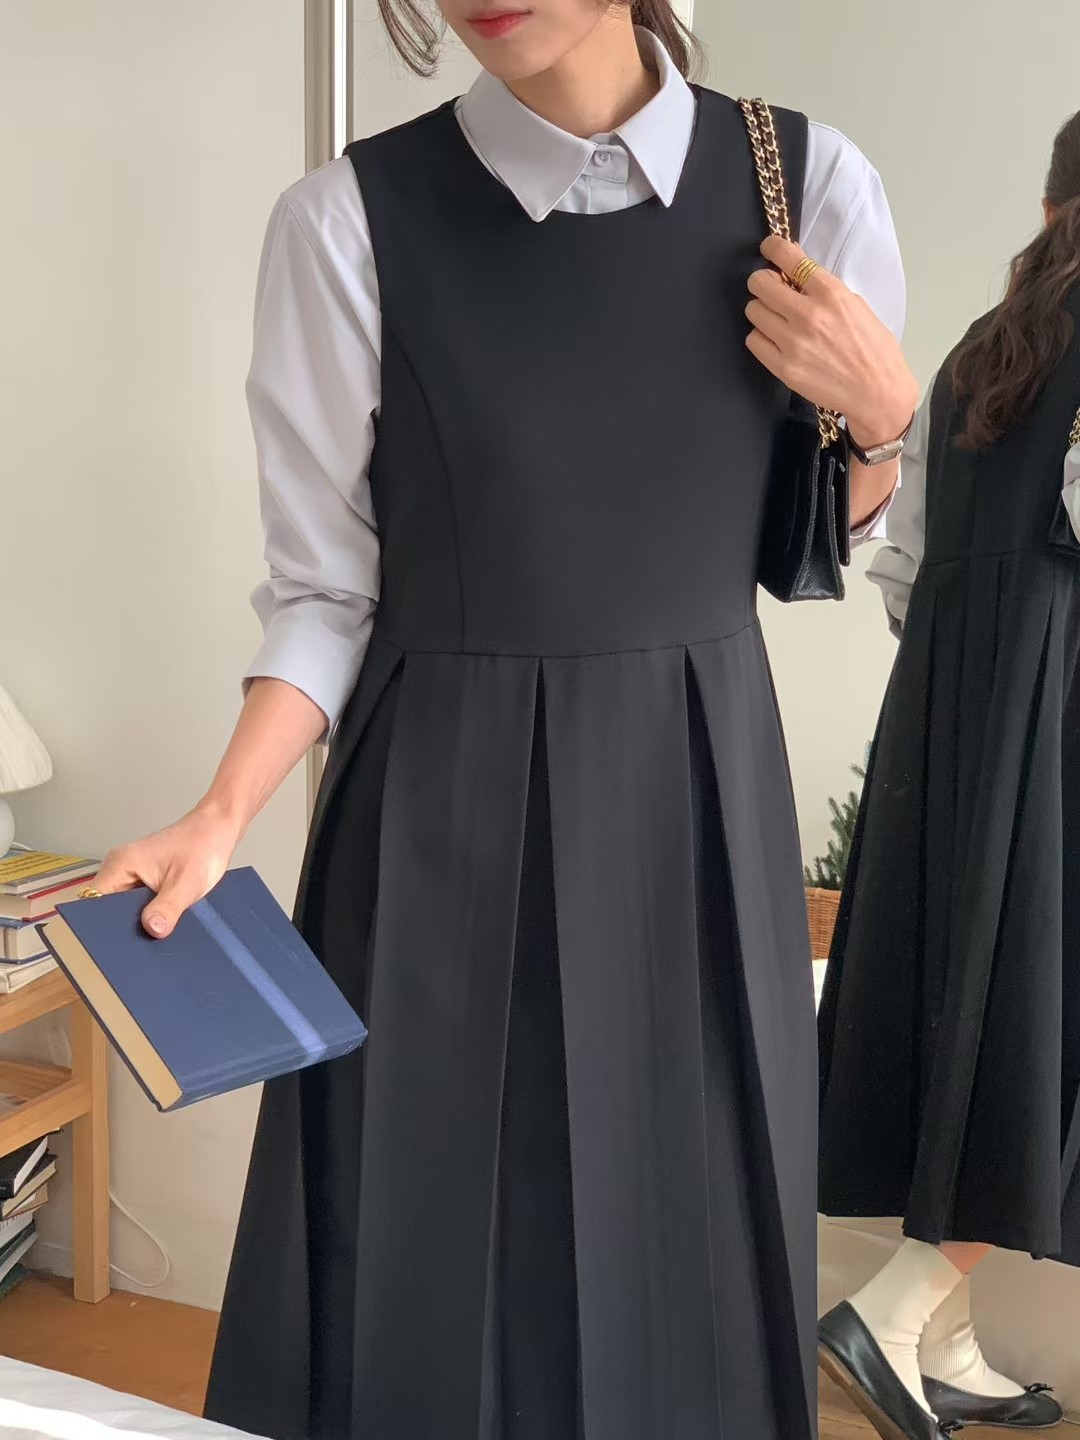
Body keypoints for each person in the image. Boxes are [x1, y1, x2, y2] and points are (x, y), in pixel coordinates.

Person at [95, 0, 917, 1435]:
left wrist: (889, 424)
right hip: (436, 814)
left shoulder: (811, 180)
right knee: (424, 1249)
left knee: (694, 1245)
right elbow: (326, 592)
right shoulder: (344, 220)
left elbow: (808, 546)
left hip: (693, 798)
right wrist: (221, 814)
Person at [818, 111, 1080, 1440]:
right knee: (1043, 1020)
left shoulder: (982, 353)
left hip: (946, 719)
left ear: (1047, 209)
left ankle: (951, 1337)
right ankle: (897, 1307)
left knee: (966, 1008)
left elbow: (906, 572)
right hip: (1057, 715)